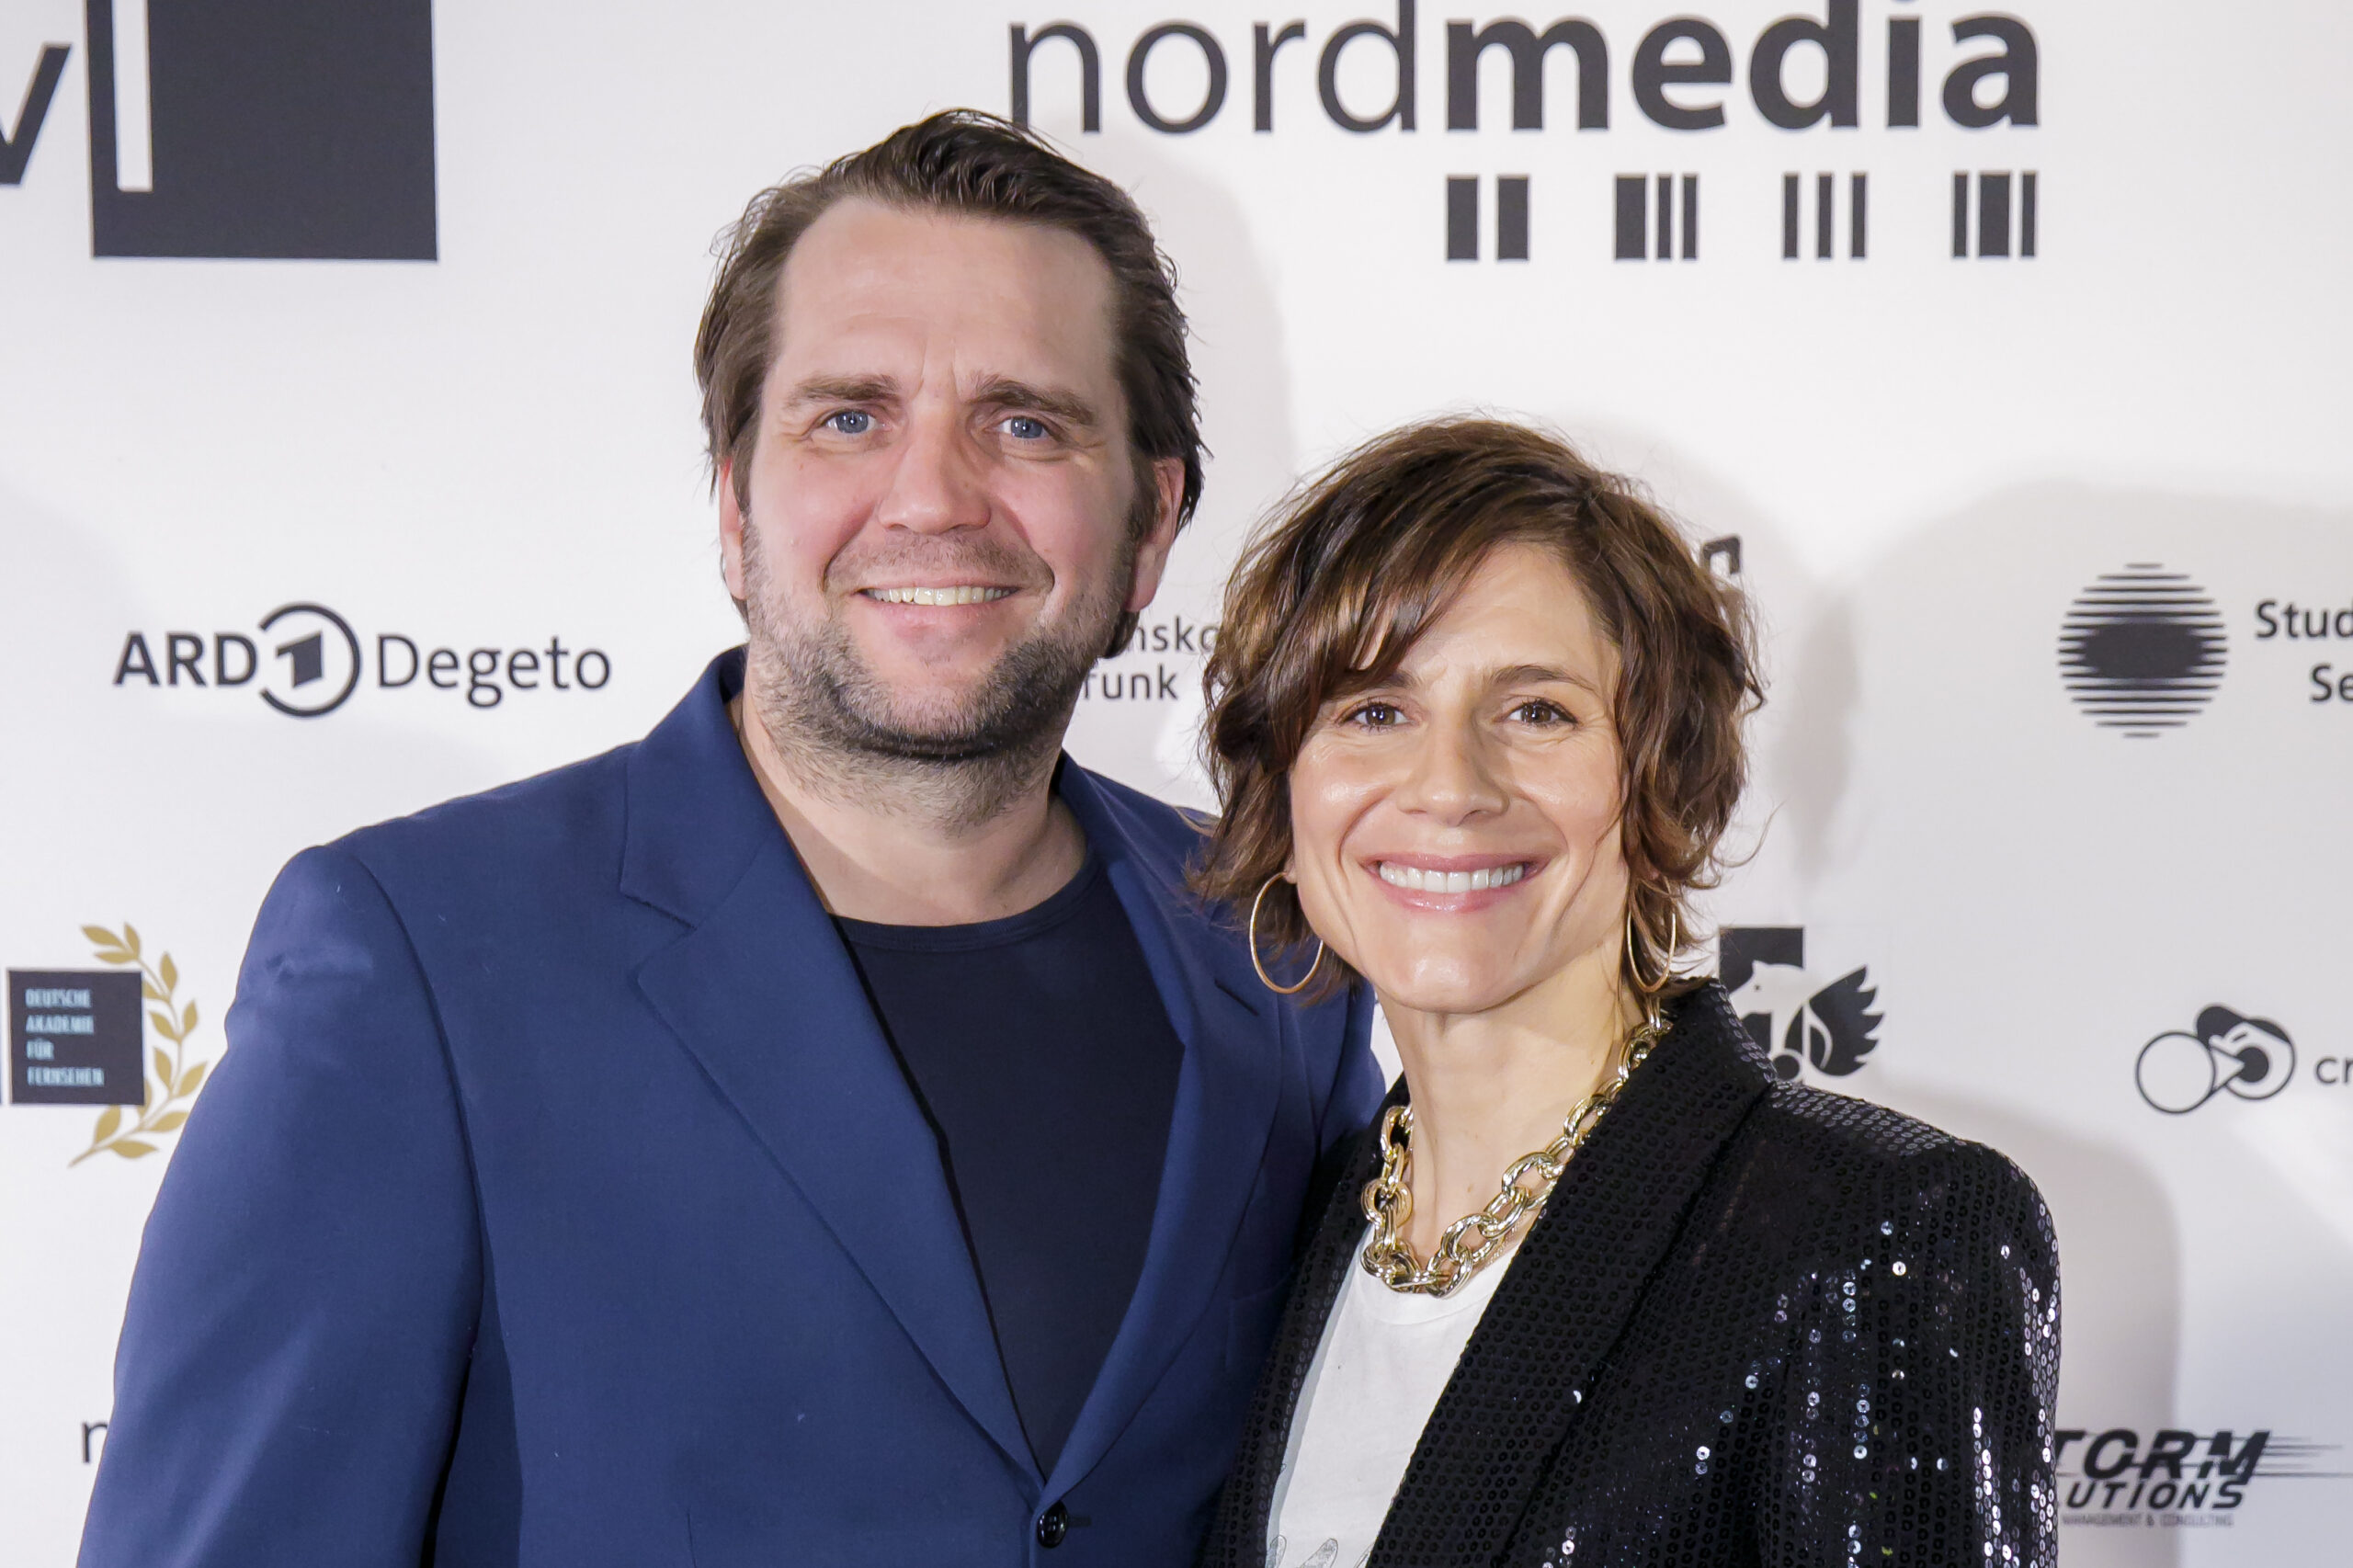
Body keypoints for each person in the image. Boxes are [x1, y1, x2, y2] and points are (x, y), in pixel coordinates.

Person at [77, 113, 1380, 1568]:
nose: (935, 497)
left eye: (1025, 422)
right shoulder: (421, 964)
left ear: (1150, 524)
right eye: (850, 418)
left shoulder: (1278, 957)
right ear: (732, 508)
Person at [1191, 418, 2060, 1568]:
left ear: (1658, 780)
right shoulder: (1291, 1225)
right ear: (1283, 797)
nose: (1448, 785)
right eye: (1373, 711)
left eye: (1536, 710)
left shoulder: (1874, 1225)